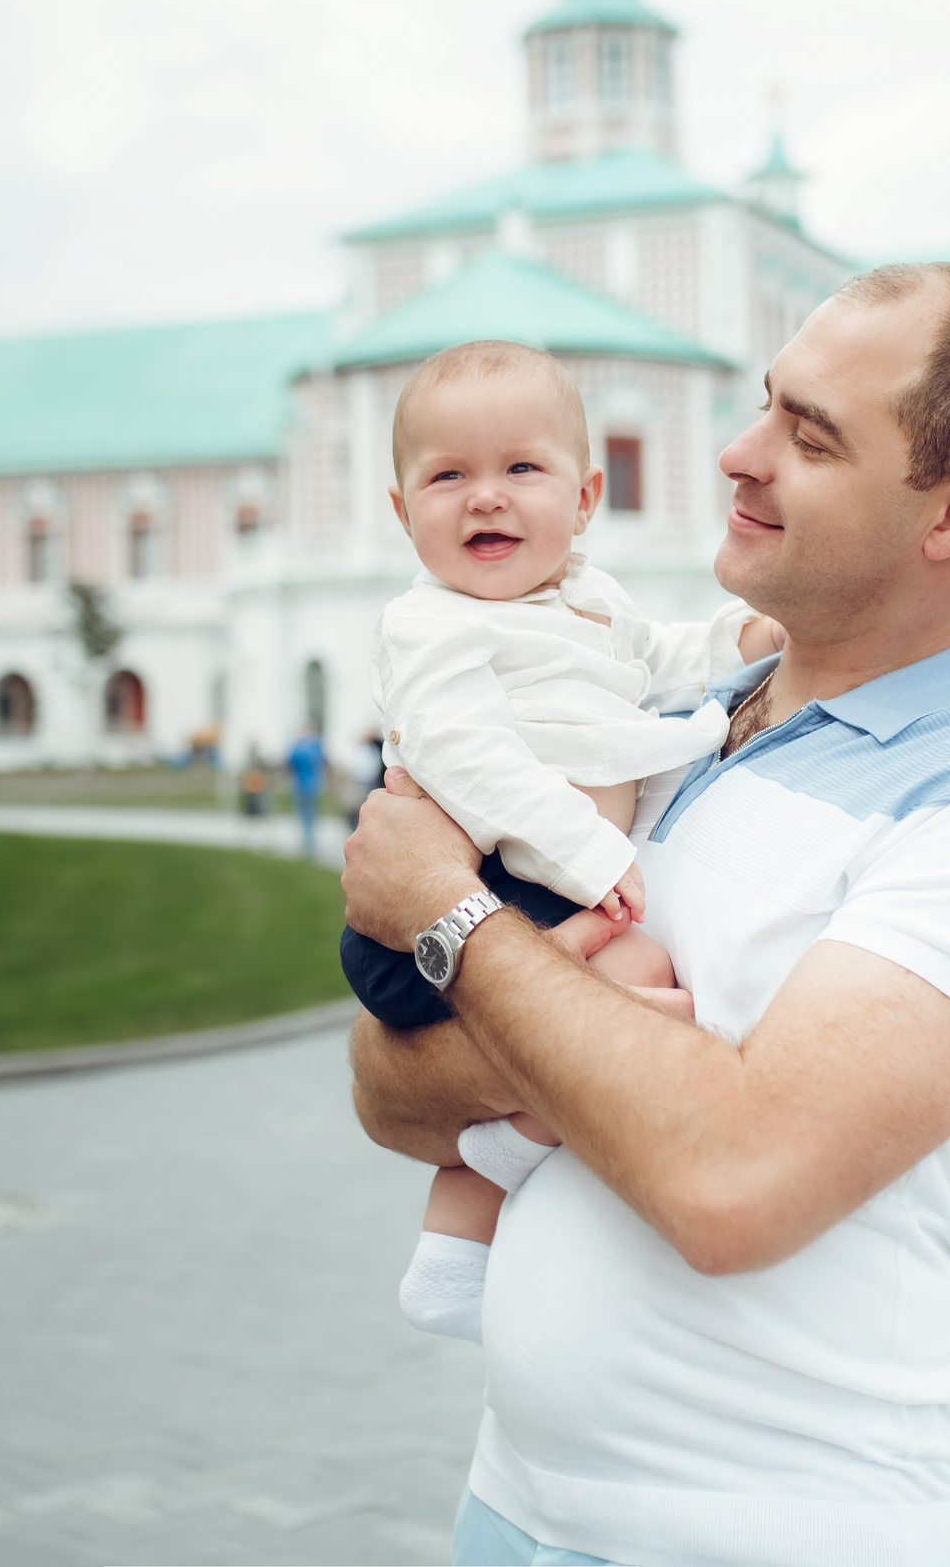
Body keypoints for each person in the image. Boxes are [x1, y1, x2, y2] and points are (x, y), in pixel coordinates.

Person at [343, 263, 950, 1567]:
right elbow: (386, 1088)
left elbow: (729, 1183)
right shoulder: (670, 723)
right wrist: (534, 1001)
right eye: (766, 403)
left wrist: (452, 914)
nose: (736, 452)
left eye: (808, 437)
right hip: (510, 1511)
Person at [344, 339, 784, 1345]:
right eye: (447, 477)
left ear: (584, 499)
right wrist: (591, 855)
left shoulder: (590, 599)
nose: (485, 497)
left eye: (520, 468)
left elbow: (658, 659)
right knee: (639, 985)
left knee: (631, 996)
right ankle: (478, 1202)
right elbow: (465, 757)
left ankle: (460, 1235)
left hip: (528, 890)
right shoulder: (430, 624)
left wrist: (741, 642)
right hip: (476, 892)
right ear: (404, 512)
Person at [286, 726, 328, 857]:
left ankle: (307, 842)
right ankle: (309, 842)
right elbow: (324, 762)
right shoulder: (316, 747)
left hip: (302, 785)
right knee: (310, 815)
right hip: (313, 785)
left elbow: (289, 762)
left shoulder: (299, 748)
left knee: (304, 814)